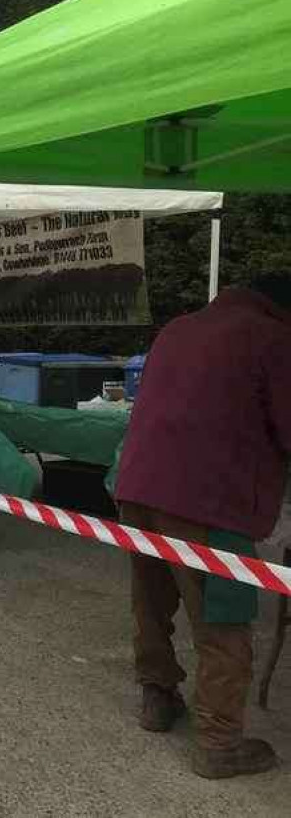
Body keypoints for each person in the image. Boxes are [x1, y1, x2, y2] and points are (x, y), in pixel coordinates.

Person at [115, 271, 291, 779]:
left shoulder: (179, 327)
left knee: (151, 600)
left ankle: (158, 695)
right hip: (209, 501)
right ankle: (219, 741)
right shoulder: (273, 337)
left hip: (139, 486)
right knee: (224, 621)